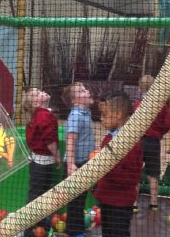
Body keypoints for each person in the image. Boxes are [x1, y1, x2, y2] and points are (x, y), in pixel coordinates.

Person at [93, 91, 143, 237]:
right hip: (107, 198)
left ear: (118, 115)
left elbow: (131, 178)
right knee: (107, 233)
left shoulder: (131, 143)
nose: (101, 119)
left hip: (120, 203)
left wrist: (103, 167)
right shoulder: (109, 138)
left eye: (104, 115)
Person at [23, 88, 61, 236]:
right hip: (43, 163)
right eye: (38, 94)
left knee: (39, 192)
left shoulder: (41, 114)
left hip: (37, 161)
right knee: (38, 194)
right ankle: (28, 228)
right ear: (35, 103)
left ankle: (40, 222)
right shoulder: (44, 115)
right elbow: (49, 140)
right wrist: (57, 156)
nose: (42, 92)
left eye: (40, 91)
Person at [132, 75, 170, 212]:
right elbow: (168, 124)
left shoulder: (137, 105)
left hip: (139, 142)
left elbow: (131, 123)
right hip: (153, 143)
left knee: (135, 173)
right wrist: (159, 132)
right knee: (153, 174)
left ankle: (134, 204)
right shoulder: (161, 105)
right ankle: (154, 203)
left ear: (139, 89)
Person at [61, 82, 95, 237]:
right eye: (82, 91)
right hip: (75, 165)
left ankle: (78, 228)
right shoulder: (76, 115)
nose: (87, 91)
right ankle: (74, 232)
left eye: (85, 88)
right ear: (75, 101)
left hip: (83, 163)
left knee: (80, 200)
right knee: (75, 202)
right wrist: (71, 165)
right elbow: (70, 141)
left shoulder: (85, 113)